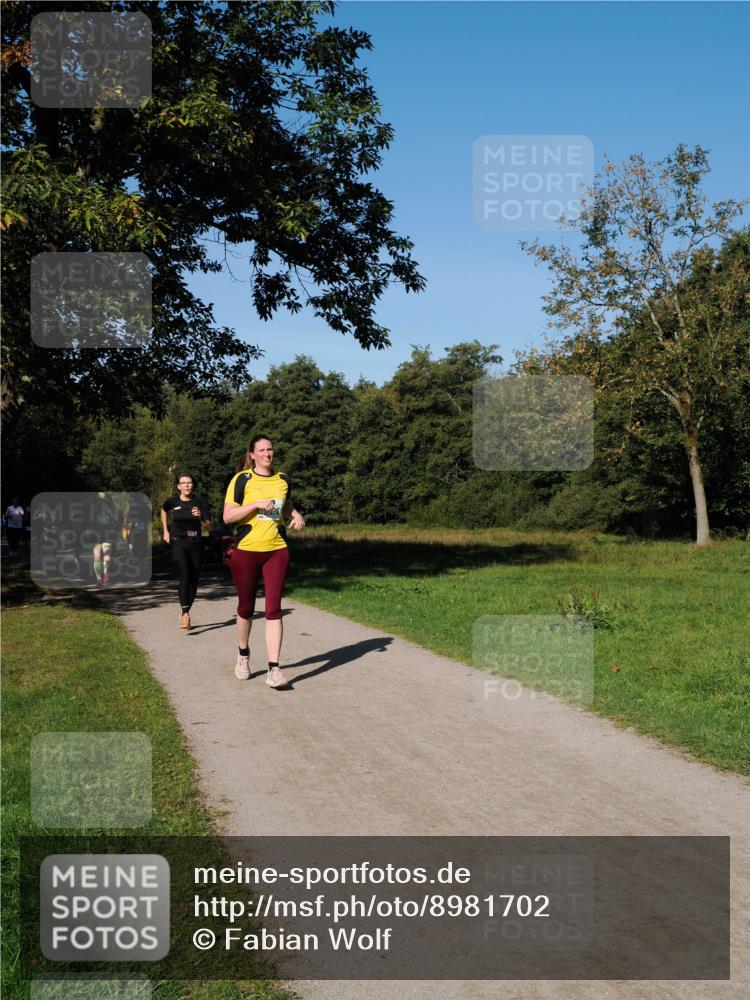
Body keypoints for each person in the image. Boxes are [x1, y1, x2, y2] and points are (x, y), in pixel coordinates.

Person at [223, 435, 305, 689]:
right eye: (262, 450)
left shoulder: (282, 480)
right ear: (252, 455)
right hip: (246, 551)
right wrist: (255, 504)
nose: (268, 454)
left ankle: (274, 669)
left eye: (270, 449)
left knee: (273, 609)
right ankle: (243, 655)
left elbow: (285, 504)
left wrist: (296, 514)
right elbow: (227, 517)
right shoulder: (242, 480)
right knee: (246, 607)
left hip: (276, 550)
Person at [161, 474, 211, 629]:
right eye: (183, 483)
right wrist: (165, 531)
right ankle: (185, 614)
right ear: (178, 486)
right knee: (184, 574)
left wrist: (201, 517)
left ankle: (186, 610)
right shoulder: (173, 501)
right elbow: (163, 510)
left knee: (194, 579)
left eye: (189, 483)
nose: (186, 485)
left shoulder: (200, 502)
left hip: (195, 542)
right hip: (178, 542)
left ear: (193, 485)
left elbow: (209, 526)